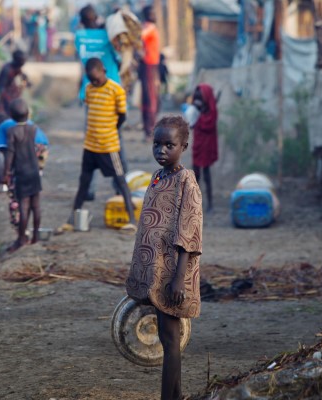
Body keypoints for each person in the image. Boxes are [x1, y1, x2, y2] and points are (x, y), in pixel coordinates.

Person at [125, 115, 203, 400]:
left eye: (169, 145)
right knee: (166, 340)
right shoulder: (159, 178)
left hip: (172, 274)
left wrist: (178, 279)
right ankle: (177, 394)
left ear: (184, 145)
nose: (161, 151)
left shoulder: (186, 181)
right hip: (157, 272)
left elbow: (189, 233)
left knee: (170, 343)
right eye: (157, 144)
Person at [57, 58, 136, 233]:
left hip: (109, 146)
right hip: (90, 146)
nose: (94, 82)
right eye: (91, 79)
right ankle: (72, 219)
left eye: (97, 79)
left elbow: (122, 116)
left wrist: (110, 130)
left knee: (120, 181)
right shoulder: (89, 89)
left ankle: (132, 220)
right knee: (83, 182)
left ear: (103, 71)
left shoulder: (116, 90)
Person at [75, 5, 127, 200]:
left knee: (92, 139)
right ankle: (119, 185)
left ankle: (89, 190)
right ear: (96, 17)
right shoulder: (108, 37)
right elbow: (120, 58)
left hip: (90, 93)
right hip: (112, 90)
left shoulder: (79, 36)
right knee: (116, 140)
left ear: (82, 20)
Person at [1, 100, 43, 252]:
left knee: (24, 208)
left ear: (11, 116)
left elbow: (10, 153)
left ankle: (21, 239)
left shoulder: (12, 131)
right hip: (34, 171)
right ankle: (36, 236)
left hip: (22, 173)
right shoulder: (33, 128)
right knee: (36, 206)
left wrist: (6, 173)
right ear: (28, 114)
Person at [191, 84, 218, 212]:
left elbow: (208, 125)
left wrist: (199, 114)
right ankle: (194, 203)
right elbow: (191, 124)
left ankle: (210, 203)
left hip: (207, 145)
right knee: (195, 175)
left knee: (206, 174)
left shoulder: (211, 111)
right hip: (198, 143)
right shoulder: (197, 109)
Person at [140, 5, 161, 141]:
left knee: (150, 98)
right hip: (149, 65)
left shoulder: (149, 27)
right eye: (152, 13)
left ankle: (150, 129)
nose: (154, 15)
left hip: (152, 65)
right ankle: (150, 130)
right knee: (150, 99)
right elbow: (140, 37)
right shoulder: (149, 27)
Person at [0, 50, 30, 115]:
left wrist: (26, 81)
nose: (24, 63)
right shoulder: (7, 70)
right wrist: (8, 101)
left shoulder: (17, 67)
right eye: (22, 61)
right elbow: (1, 88)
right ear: (17, 60)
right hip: (7, 99)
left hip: (13, 96)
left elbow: (22, 75)